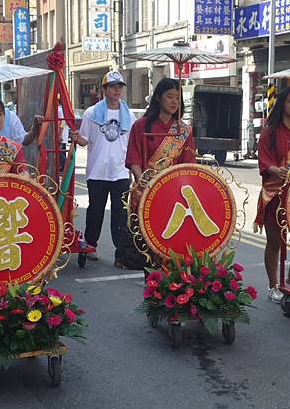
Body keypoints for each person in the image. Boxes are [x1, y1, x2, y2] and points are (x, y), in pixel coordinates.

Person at [253, 86, 290, 303]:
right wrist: (275, 169)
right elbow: (264, 160)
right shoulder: (269, 132)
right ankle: (272, 286)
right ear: (282, 104)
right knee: (275, 241)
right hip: (275, 192)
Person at [70, 71, 136, 265]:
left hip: (120, 172)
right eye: (113, 86)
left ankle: (121, 252)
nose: (117, 90)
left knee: (120, 215)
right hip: (97, 172)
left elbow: (131, 145)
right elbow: (84, 140)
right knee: (95, 211)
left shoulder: (129, 115)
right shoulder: (92, 113)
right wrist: (76, 138)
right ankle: (91, 245)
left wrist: (132, 170)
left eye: (120, 86)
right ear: (104, 89)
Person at [125, 77, 196, 195]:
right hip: (146, 190)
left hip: (175, 191)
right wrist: (143, 184)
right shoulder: (140, 126)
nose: (174, 102)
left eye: (178, 98)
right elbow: (134, 160)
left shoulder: (184, 130)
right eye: (169, 97)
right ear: (158, 97)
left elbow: (189, 164)